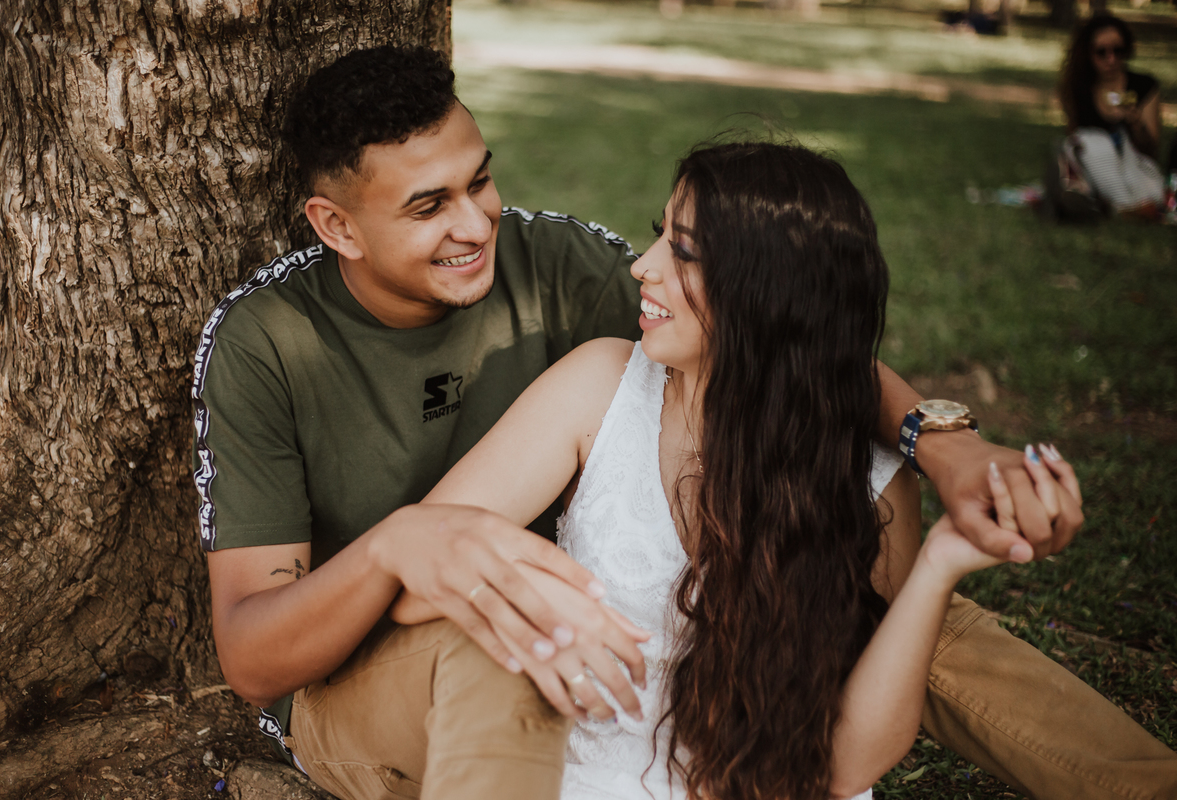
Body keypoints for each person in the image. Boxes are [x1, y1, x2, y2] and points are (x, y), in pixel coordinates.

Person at [193, 45, 1172, 800]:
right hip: (430, 633)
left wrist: (940, 444)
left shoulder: (561, 266)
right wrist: (403, 546)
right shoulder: (271, 342)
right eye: (429, 205)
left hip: (607, 605)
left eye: (482, 180)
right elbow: (253, 649)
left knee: (870, 590)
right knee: (503, 644)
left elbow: (779, 333)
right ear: (338, 226)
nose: (479, 222)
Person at [389, 139, 1040, 800]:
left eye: (686, 252)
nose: (643, 267)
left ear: (769, 292)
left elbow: (843, 765)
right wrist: (525, 605)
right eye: (658, 236)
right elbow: (413, 577)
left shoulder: (868, 479)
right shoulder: (598, 387)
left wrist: (939, 565)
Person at [1059, 14, 1166, 216]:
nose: (1111, 59)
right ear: (1088, 54)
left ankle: (1114, 207)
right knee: (1090, 143)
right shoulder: (1080, 89)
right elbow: (1074, 140)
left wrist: (1136, 125)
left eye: (1118, 51)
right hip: (1096, 167)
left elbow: (1151, 151)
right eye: (1102, 52)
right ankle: (1119, 206)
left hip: (1134, 169)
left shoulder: (1144, 86)